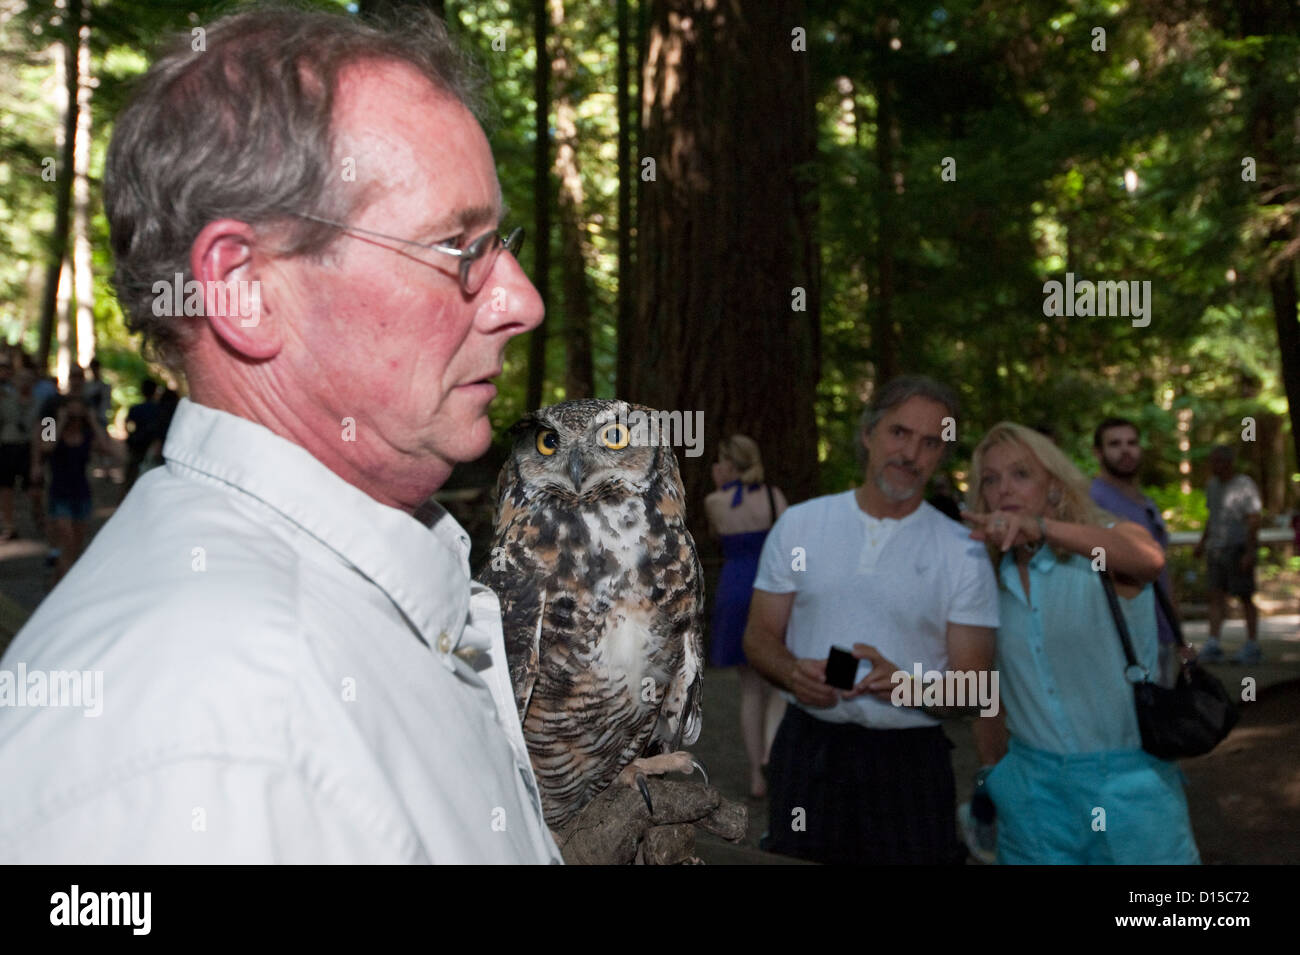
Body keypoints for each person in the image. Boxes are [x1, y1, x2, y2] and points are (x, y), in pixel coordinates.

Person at [0, 7, 556, 863]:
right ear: (243, 289)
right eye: (457, 246)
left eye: (499, 241)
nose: (522, 301)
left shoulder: (315, 619)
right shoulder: (220, 736)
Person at [744, 376, 1000, 865]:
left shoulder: (963, 550)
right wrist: (792, 672)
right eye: (899, 433)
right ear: (868, 433)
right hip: (808, 750)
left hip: (911, 764)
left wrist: (908, 687)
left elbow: (975, 688)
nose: (911, 454)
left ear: (943, 454)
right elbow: (759, 638)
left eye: (931, 443)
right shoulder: (801, 524)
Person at [963, 422, 1199, 864]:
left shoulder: (1104, 543)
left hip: (1129, 791)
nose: (1003, 489)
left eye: (1021, 474)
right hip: (1032, 796)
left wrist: (1041, 528)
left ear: (1053, 485)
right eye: (990, 479)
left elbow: (1149, 560)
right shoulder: (988, 576)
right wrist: (996, 775)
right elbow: (983, 689)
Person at [703, 434, 788, 800]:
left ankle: (756, 774)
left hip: (734, 589)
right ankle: (772, 758)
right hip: (770, 589)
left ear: (730, 464)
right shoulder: (774, 497)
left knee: (750, 688)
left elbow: (718, 536)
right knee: (779, 684)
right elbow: (788, 543)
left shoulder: (715, 502)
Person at [1088, 416, 1180, 685]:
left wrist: (1177, 632)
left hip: (1161, 631)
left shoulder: (1144, 501)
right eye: (1115, 444)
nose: (1125, 450)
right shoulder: (1092, 501)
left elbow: (1163, 569)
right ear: (1098, 452)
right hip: (1123, 638)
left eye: (1132, 442)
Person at [33, 395, 119, 583]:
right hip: (59, 492)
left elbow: (107, 449)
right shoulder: (51, 424)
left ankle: (57, 581)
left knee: (76, 548)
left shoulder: (88, 433)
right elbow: (46, 447)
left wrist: (93, 421)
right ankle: (62, 589)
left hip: (82, 493)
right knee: (67, 541)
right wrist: (62, 421)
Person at [1193, 445, 1263, 664]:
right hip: (1216, 548)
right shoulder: (1212, 485)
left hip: (1238, 547)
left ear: (1228, 463)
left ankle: (1252, 644)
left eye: (1218, 462)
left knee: (1244, 596)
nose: (1214, 466)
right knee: (1215, 595)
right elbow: (1212, 516)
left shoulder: (1244, 485)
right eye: (1211, 462)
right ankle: (1213, 642)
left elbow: (1253, 520)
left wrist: (1249, 552)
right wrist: (1202, 543)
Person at [122, 377, 160, 492]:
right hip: (147, 445)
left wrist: (130, 435)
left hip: (139, 443)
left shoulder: (137, 408)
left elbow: (127, 423)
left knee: (132, 474)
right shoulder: (158, 409)